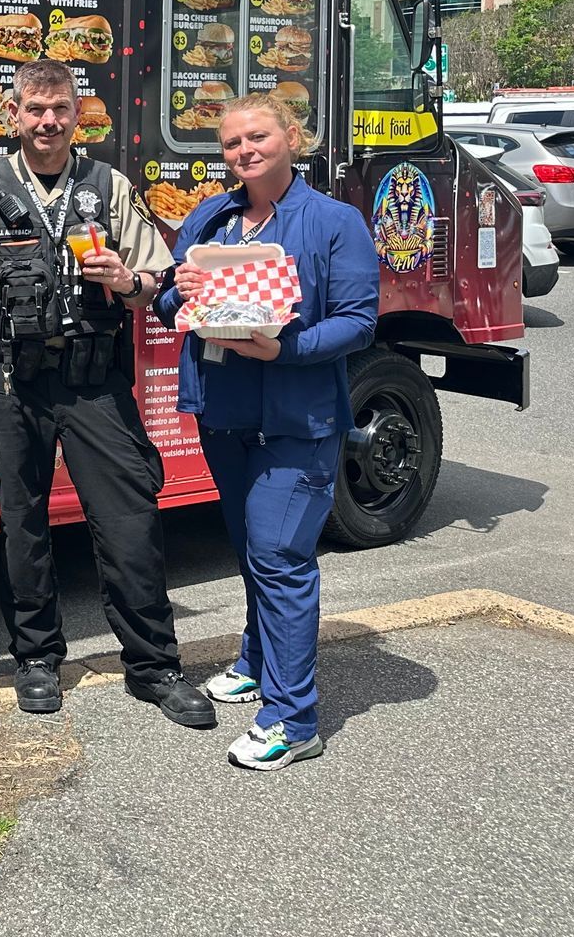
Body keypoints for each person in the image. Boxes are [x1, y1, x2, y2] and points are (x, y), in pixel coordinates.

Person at [0, 60, 214, 728]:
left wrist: (126, 280)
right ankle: (36, 657)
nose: (47, 121)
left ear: (79, 115)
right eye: (34, 109)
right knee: (23, 521)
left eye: (59, 110)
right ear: (11, 115)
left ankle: (154, 665)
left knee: (130, 519)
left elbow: (157, 284)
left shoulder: (110, 187)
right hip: (9, 376)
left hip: (95, 376)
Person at [155, 92, 378, 770]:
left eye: (258, 137)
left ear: (292, 138)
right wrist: (181, 287)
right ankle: (255, 661)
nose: (245, 152)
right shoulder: (212, 215)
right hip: (223, 414)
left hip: (298, 419)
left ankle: (292, 718)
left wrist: (288, 350)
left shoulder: (335, 222)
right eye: (231, 144)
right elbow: (169, 300)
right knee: (251, 546)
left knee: (281, 557)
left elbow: (359, 320)